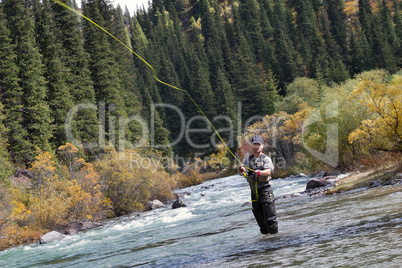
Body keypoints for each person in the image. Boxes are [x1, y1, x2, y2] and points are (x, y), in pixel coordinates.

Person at [238, 135, 278, 235]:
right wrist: (241, 170)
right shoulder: (247, 160)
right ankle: (266, 244)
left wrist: (260, 173)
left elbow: (269, 171)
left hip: (265, 191)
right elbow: (241, 173)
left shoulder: (266, 159)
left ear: (262, 146)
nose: (256, 146)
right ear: (252, 146)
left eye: (258, 144)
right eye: (254, 144)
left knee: (271, 220)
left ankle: (276, 241)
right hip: (254, 193)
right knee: (261, 223)